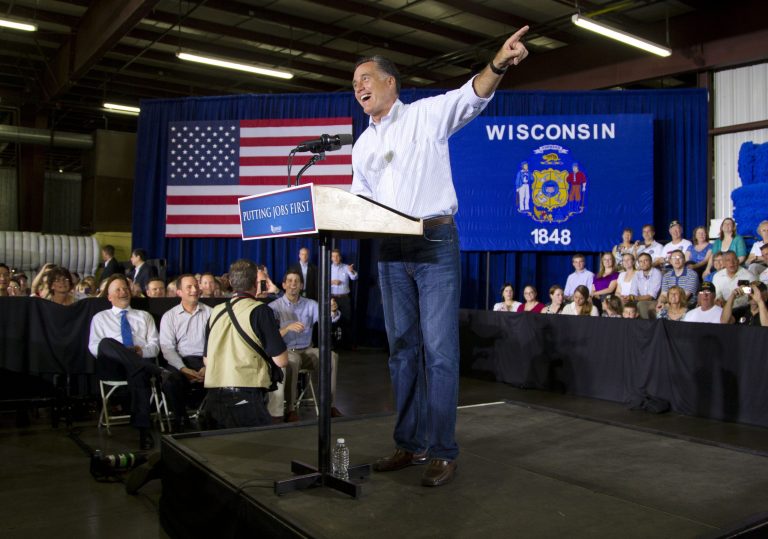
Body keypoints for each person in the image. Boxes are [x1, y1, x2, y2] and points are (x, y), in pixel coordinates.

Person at [350, 26, 529, 488]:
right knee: (402, 352)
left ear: (391, 82)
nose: (360, 88)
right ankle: (409, 444)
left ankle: (443, 450)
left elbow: (472, 95)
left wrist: (499, 61)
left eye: (366, 78)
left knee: (440, 353)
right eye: (354, 85)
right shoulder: (362, 145)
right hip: (390, 251)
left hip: (434, 244)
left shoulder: (426, 115)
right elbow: (359, 203)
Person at [88, 274, 180, 449]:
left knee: (138, 372)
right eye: (118, 290)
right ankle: (157, 370)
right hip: (113, 366)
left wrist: (140, 350)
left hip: (138, 363)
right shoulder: (100, 318)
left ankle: (143, 433)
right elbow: (94, 348)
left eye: (125, 288)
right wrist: (119, 352)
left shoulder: (144, 316)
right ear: (109, 296)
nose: (123, 292)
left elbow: (155, 347)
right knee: (106, 343)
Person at [202, 259, 288, 429]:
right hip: (247, 394)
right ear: (256, 284)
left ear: (232, 282)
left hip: (214, 396)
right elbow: (281, 360)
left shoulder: (216, 311)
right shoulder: (260, 311)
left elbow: (206, 359)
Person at [269, 269, 342, 423]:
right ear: (283, 285)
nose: (293, 284)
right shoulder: (274, 307)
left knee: (331, 356)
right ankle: (290, 409)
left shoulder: (311, 304)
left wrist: (333, 311)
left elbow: (328, 319)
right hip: (286, 351)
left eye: (296, 281)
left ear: (301, 285)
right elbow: (270, 335)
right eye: (290, 281)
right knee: (293, 361)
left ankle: (329, 405)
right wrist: (287, 328)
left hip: (307, 349)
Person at [159, 274, 212, 430]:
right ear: (179, 292)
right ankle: (181, 420)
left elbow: (218, 344)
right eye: (189, 287)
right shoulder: (170, 316)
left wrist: (208, 366)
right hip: (180, 361)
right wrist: (183, 368)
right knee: (169, 381)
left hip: (206, 360)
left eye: (196, 286)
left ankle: (211, 418)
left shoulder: (212, 313)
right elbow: (167, 348)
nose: (194, 290)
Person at [628, 252, 662, 319]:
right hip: (639, 299)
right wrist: (628, 298)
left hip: (654, 301)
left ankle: (646, 326)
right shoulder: (637, 274)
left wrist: (634, 298)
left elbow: (651, 297)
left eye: (645, 260)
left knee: (641, 305)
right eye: (640, 261)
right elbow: (633, 292)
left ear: (651, 261)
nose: (643, 263)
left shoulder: (656, 273)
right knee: (624, 303)